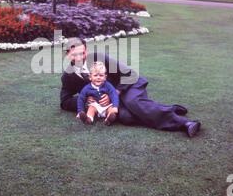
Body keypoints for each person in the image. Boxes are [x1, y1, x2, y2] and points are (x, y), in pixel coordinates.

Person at [60, 37, 202, 138]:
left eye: (82, 53)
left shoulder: (99, 57)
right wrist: (88, 99)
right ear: (67, 54)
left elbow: (130, 73)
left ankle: (185, 124)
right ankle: (168, 109)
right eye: (74, 54)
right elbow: (64, 101)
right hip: (113, 100)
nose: (79, 57)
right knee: (126, 117)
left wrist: (113, 93)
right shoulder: (68, 75)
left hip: (128, 85)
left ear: (86, 51)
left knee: (133, 103)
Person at [77, 61, 119, 126]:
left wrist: (115, 106)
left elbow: (114, 95)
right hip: (96, 105)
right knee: (91, 108)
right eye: (95, 75)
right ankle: (88, 119)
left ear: (105, 77)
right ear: (90, 77)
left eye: (101, 75)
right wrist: (80, 111)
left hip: (107, 106)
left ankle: (108, 119)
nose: (98, 77)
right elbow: (81, 99)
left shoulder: (108, 85)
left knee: (111, 110)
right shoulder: (87, 88)